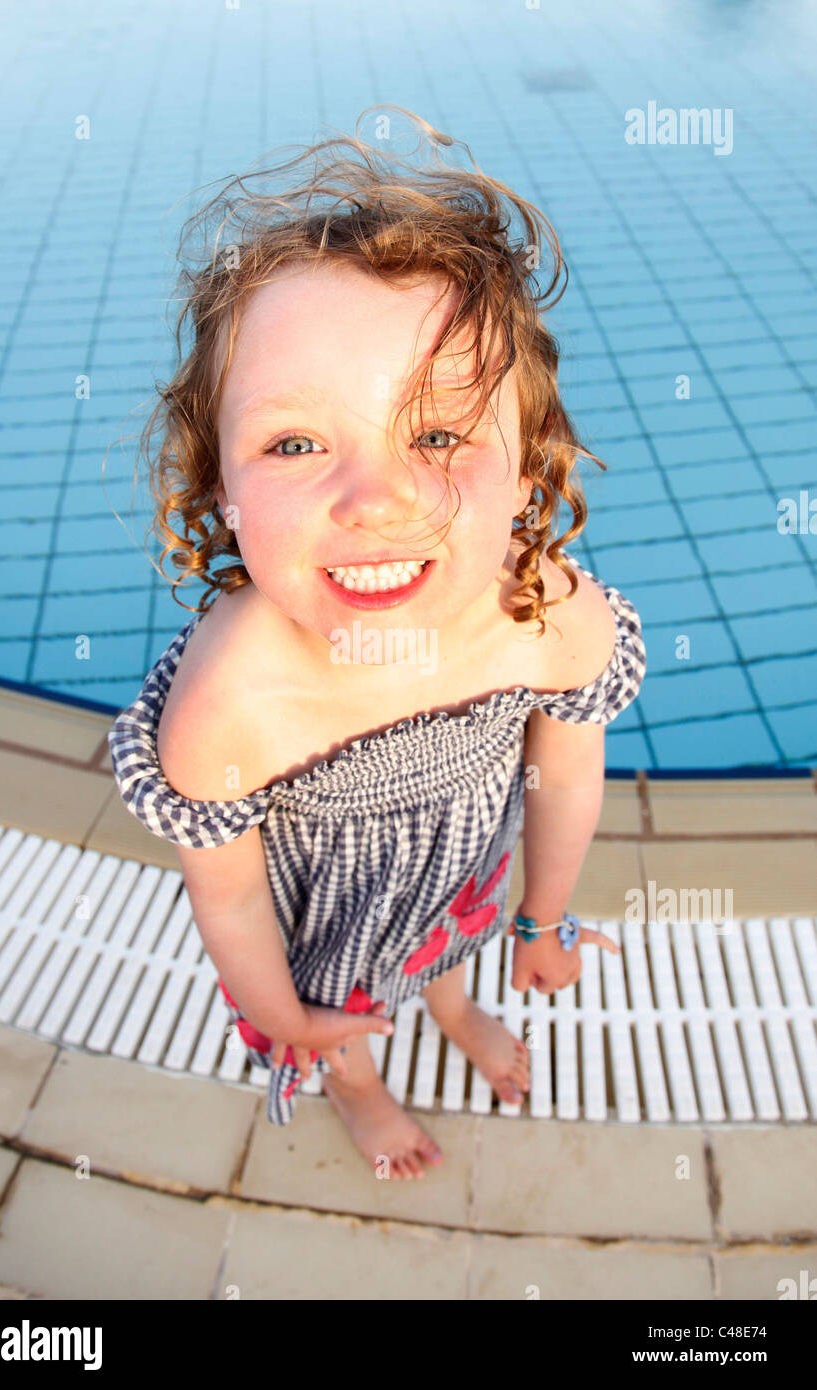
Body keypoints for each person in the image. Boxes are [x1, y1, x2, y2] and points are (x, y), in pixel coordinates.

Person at [108, 106, 647, 1181]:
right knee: (346, 1016)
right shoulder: (232, 698)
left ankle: (450, 1003)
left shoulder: (542, 613)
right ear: (218, 482)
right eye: (295, 441)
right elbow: (226, 895)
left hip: (460, 873)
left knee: (445, 952)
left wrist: (540, 921)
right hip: (328, 927)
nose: (376, 496)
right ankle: (355, 1082)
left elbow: (562, 781)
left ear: (529, 467)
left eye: (439, 433)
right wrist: (284, 1021)